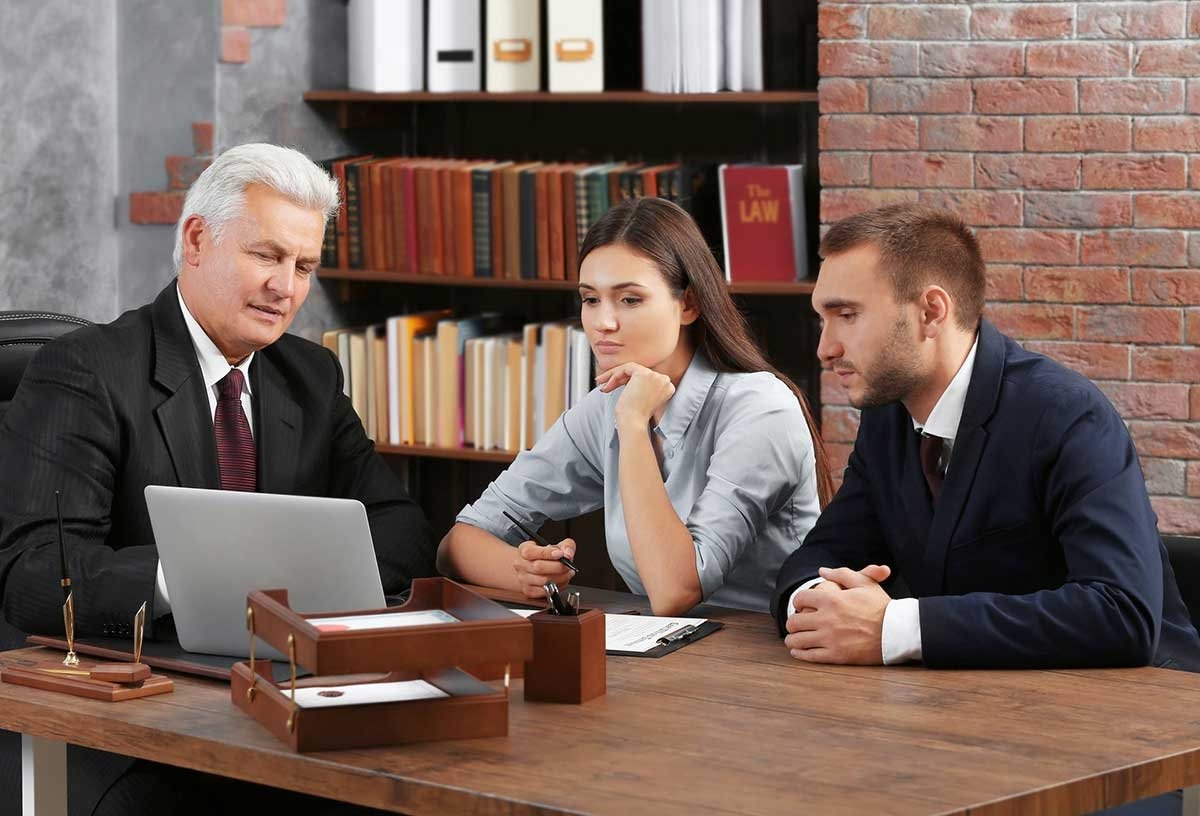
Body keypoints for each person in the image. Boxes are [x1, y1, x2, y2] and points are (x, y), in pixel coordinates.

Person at [0, 143, 435, 815]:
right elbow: (35, 575)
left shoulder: (308, 376)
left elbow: (401, 526)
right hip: (127, 705)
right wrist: (204, 578)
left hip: (272, 690)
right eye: (266, 255)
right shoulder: (85, 371)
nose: (286, 288)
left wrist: (305, 574)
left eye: (304, 266)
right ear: (197, 240)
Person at [774, 204, 1200, 672]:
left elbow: (1123, 613)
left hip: (1144, 714)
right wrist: (823, 606)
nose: (825, 348)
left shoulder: (1067, 414)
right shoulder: (887, 419)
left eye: (848, 315)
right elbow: (816, 558)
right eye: (822, 319)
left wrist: (894, 627)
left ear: (931, 312)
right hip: (975, 707)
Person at [438, 197, 832, 616]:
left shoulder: (760, 409)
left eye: (629, 300)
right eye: (590, 300)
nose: (603, 323)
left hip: (773, 660)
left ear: (688, 304)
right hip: (664, 656)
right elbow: (457, 545)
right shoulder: (605, 408)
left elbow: (675, 590)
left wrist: (631, 422)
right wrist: (519, 569)